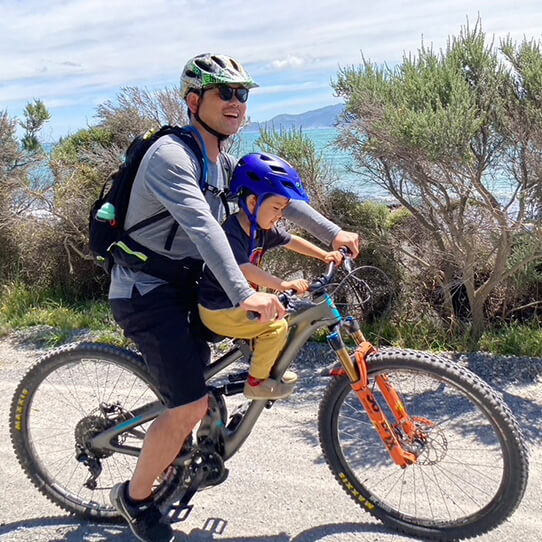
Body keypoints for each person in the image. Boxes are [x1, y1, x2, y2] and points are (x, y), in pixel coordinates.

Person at [108, 52, 360, 542]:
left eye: (243, 94)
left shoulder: (222, 162)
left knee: (205, 382)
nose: (236, 102)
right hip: (145, 292)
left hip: (185, 286)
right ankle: (135, 500)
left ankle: (190, 446)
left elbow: (282, 196)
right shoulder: (171, 157)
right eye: (225, 92)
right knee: (188, 403)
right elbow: (205, 229)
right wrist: (246, 292)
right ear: (194, 99)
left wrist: (332, 233)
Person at [198, 152, 343, 400]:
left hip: (235, 305)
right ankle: (256, 383)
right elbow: (244, 268)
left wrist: (324, 255)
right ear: (253, 202)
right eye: (276, 208)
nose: (279, 216)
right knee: (275, 327)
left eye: (283, 210)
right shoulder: (232, 231)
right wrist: (282, 283)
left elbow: (291, 240)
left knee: (280, 312)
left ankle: (262, 366)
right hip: (217, 308)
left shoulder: (262, 229)